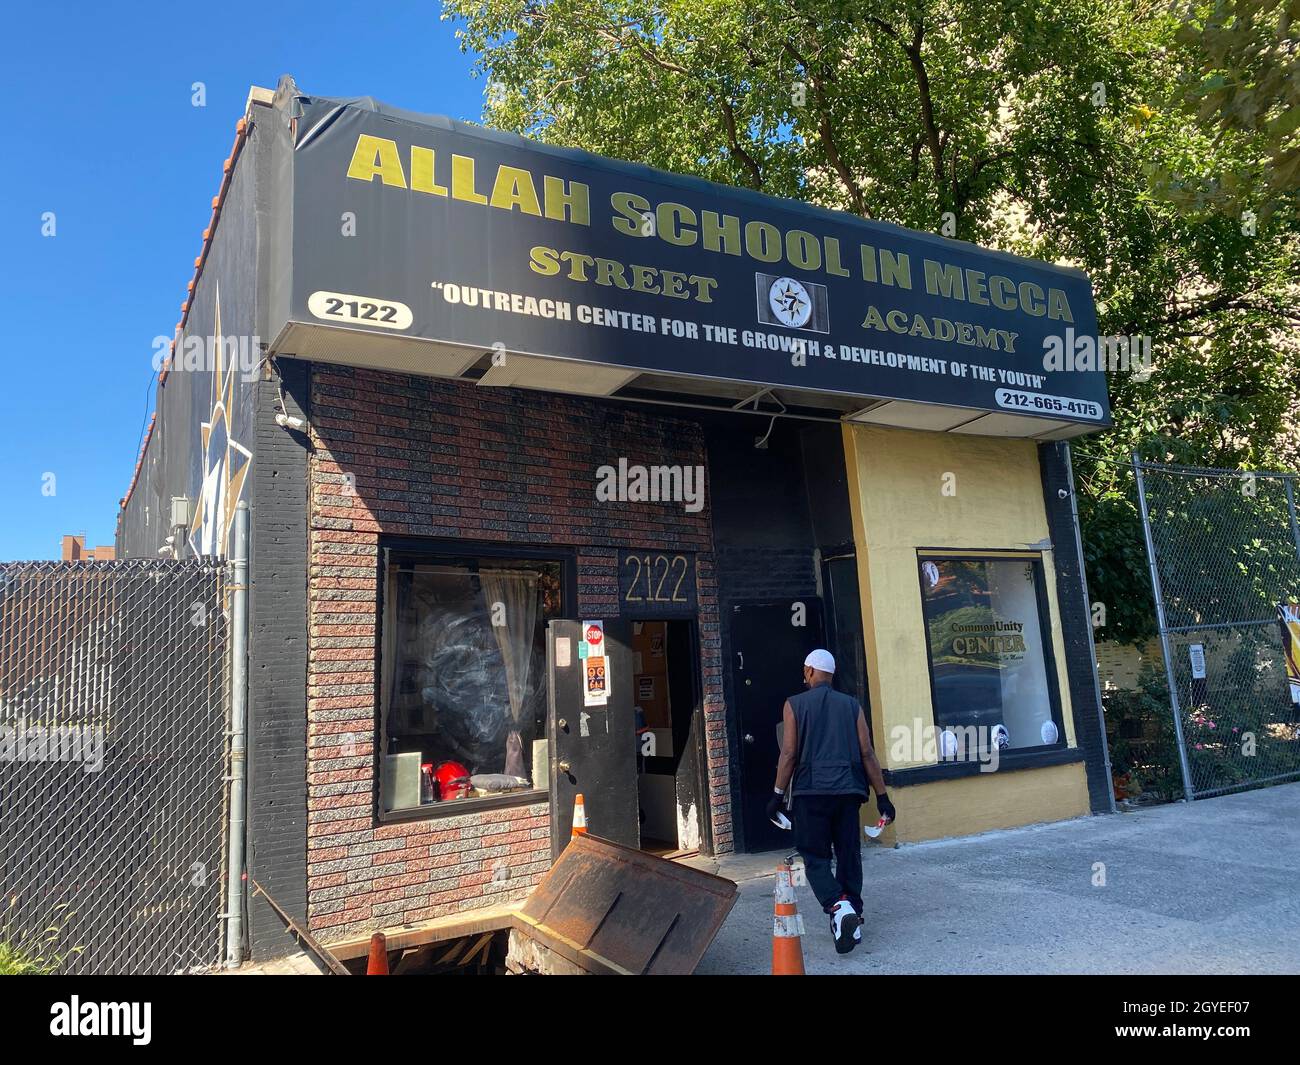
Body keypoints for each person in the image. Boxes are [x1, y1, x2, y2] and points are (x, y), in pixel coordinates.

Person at [766, 648, 895, 954]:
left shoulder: (794, 704)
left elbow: (789, 753)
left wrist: (776, 796)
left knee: (815, 858)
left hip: (811, 794)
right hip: (849, 791)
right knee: (849, 854)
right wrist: (883, 797)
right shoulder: (851, 705)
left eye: (805, 671)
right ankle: (851, 915)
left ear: (810, 671)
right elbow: (867, 753)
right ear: (832, 674)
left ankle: (837, 905)